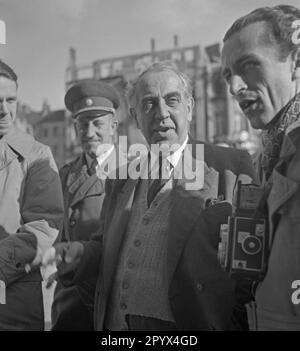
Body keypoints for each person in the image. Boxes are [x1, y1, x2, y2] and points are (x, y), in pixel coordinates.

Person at [45, 62, 256, 331]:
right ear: (135, 116)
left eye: (172, 100)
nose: (162, 114)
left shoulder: (229, 167)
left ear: (189, 108)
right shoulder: (121, 179)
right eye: (149, 104)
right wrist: (74, 253)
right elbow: (105, 245)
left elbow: (250, 271)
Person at [221, 5, 300, 330]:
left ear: (296, 63)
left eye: (250, 65)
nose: (235, 87)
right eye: (227, 75)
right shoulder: (267, 156)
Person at [51, 79, 122, 330]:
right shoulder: (66, 174)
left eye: (97, 123)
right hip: (71, 298)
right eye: (83, 124)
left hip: (112, 298)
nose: (89, 132)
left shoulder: (133, 171)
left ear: (113, 126)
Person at [0, 60, 64, 330]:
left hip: (11, 304)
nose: (5, 111)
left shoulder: (37, 155)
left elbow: (43, 226)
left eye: (11, 100)